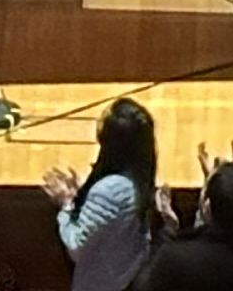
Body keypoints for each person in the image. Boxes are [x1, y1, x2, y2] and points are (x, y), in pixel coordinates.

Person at [45, 101, 167, 291]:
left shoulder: (110, 190)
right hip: (126, 273)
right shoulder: (140, 173)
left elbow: (76, 246)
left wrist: (66, 202)